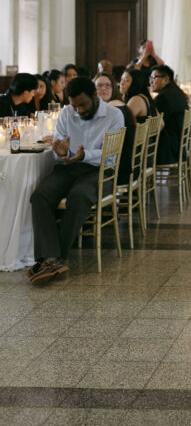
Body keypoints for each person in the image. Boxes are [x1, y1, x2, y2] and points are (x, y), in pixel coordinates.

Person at [27, 77, 125, 284]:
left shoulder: (114, 115)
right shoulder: (66, 112)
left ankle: (53, 258)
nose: (79, 111)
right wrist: (63, 152)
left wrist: (84, 155)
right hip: (68, 167)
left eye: (83, 105)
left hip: (99, 170)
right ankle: (53, 260)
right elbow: (59, 147)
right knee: (40, 196)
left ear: (95, 96)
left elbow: (111, 156)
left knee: (79, 197)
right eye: (75, 106)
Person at [150, 65, 187, 164]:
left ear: (166, 79)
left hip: (169, 148)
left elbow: (154, 125)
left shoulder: (164, 97)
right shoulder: (175, 90)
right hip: (179, 144)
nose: (150, 82)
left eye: (154, 78)